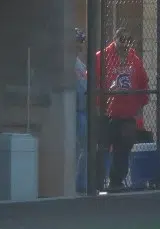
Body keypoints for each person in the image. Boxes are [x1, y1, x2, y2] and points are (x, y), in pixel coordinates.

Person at [94, 27, 149, 191]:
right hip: (106, 112)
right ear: (115, 39)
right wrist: (99, 102)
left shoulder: (134, 59)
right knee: (102, 147)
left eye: (128, 39)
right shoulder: (101, 57)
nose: (125, 43)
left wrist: (141, 103)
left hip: (127, 112)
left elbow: (143, 81)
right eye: (121, 39)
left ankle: (116, 182)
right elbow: (93, 81)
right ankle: (96, 183)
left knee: (123, 148)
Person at [75, 28, 88, 193]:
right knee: (75, 148)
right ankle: (72, 184)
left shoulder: (80, 64)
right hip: (73, 110)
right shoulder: (63, 62)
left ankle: (80, 184)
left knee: (84, 149)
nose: (80, 45)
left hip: (82, 110)